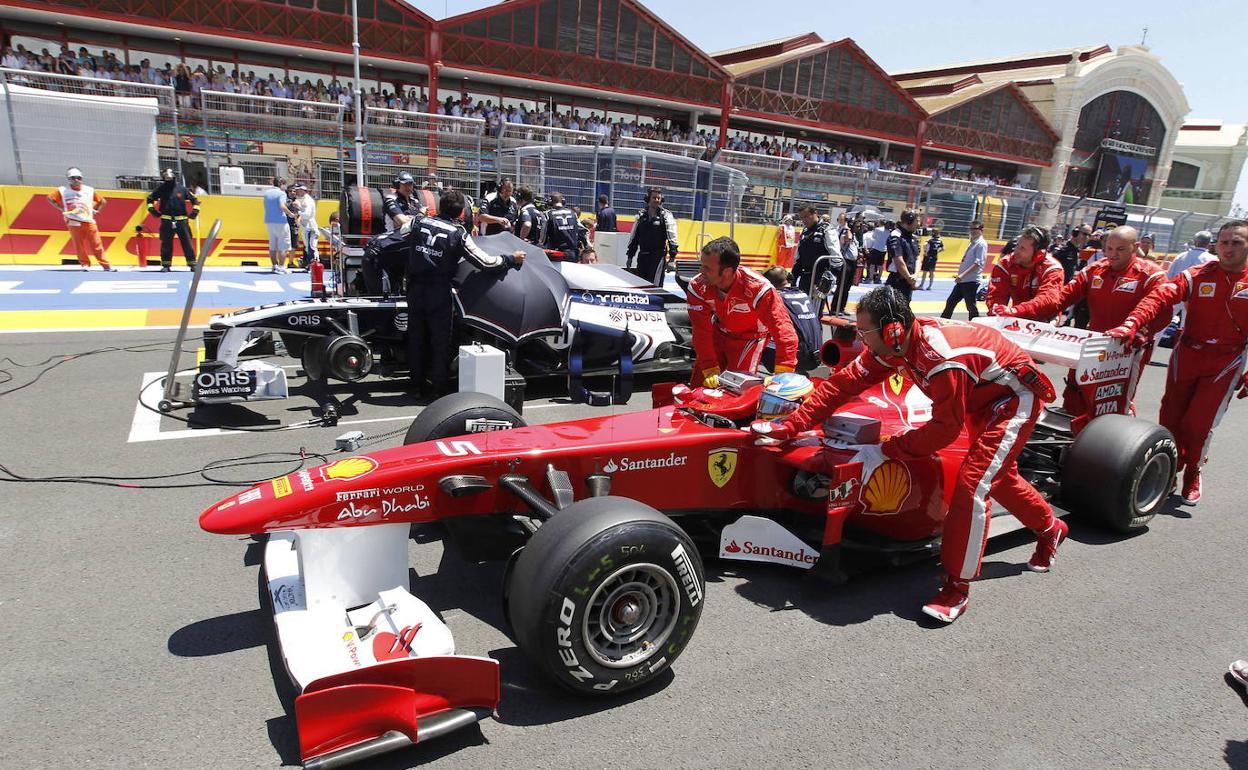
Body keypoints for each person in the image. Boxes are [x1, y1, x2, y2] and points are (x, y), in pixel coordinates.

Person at [750, 287, 1064, 624]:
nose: (861, 339)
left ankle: (956, 588)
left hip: (1012, 398)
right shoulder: (891, 347)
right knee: (999, 478)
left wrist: (885, 450)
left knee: (973, 485)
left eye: (865, 332)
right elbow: (842, 385)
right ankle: (1051, 528)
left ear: (893, 330)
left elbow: (944, 429)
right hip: (977, 393)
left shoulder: (940, 357)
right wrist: (791, 425)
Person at [1108, 220, 1248, 504]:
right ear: (1215, 245)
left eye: (1237, 242)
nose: (1228, 249)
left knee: (1198, 424)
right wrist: (1133, 322)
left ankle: (1193, 470)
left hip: (1227, 360)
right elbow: (1161, 296)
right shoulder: (1197, 275)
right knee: (1170, 418)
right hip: (1187, 353)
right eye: (1224, 242)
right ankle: (1170, 471)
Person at [996, 225, 1168, 418]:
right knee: (1075, 393)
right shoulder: (1095, 270)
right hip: (1092, 344)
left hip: (1128, 349)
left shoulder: (1152, 275)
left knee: (1114, 404)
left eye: (1120, 249)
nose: (1113, 255)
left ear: (1135, 247)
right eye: (1109, 248)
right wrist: (1018, 312)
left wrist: (1137, 332)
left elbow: (1159, 310)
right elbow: (1060, 299)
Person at [405, 189, 526, 400]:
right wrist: (510, 259)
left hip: (415, 289)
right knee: (439, 340)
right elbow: (486, 263)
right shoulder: (458, 233)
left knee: (415, 337)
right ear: (461, 212)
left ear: (440, 207)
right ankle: (437, 389)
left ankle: (415, 385)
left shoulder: (418, 222)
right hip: (438, 291)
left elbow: (402, 233)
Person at [686, 237, 798, 387]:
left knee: (738, 389)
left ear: (727, 271)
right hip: (718, 333)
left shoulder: (758, 288)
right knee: (698, 385)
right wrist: (708, 366)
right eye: (702, 265)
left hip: (750, 340)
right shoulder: (697, 286)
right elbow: (701, 331)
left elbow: (784, 330)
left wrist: (783, 374)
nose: (701, 271)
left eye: (707, 268)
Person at [984, 225, 1064, 321]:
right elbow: (996, 295)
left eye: (1022, 248)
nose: (1016, 251)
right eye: (1017, 245)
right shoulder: (1005, 264)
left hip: (1045, 319)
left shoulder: (1052, 269)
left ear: (1039, 254)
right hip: (1016, 316)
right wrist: (997, 311)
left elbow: (1048, 300)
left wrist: (1015, 311)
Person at [46, 168, 114, 271]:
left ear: (81, 179)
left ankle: (106, 265)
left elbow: (102, 201)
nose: (76, 180)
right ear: (68, 179)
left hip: (89, 221)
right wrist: (62, 208)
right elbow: (50, 198)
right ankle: (85, 264)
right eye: (73, 178)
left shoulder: (89, 190)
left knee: (96, 244)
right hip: (73, 221)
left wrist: (95, 210)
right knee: (79, 245)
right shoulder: (62, 190)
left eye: (78, 178)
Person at [763, 267, 822, 372]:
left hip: (795, 358)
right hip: (817, 356)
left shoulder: (776, 298)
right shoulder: (803, 294)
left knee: (755, 339)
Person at [145, 167, 199, 271]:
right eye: (166, 178)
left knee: (187, 243)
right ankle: (166, 265)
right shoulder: (161, 189)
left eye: (170, 178)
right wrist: (152, 210)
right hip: (166, 221)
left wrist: (195, 211)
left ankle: (192, 264)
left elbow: (194, 200)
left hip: (181, 221)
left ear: (174, 177)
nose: (168, 180)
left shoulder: (182, 189)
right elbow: (150, 199)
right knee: (166, 244)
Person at [625, 187, 679, 286]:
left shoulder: (666, 216)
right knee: (641, 284)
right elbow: (634, 238)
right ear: (648, 198)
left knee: (655, 286)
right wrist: (630, 256)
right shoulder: (641, 215)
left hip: (658, 257)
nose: (656, 200)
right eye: (654, 198)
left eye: (659, 198)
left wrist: (672, 259)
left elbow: (672, 238)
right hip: (643, 256)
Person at [940, 220, 987, 319]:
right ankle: (943, 320)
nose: (972, 231)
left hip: (971, 281)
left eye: (975, 229)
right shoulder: (973, 242)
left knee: (970, 306)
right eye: (971, 229)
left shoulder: (981, 244)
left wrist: (962, 275)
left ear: (981, 230)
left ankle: (976, 324)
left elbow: (977, 263)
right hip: (963, 281)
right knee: (951, 302)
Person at [793, 205, 840, 296]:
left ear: (815, 213)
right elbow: (799, 256)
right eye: (802, 217)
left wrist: (831, 277)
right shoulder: (805, 231)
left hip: (820, 277)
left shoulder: (827, 229)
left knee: (815, 308)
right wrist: (794, 276)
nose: (804, 220)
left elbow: (836, 257)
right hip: (805, 276)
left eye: (806, 216)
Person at [884, 209, 920, 302]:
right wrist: (910, 279)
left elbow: (917, 258)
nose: (918, 224)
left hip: (909, 281)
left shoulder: (913, 237)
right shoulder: (896, 236)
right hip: (897, 281)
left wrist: (915, 275)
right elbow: (898, 261)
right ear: (909, 221)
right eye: (917, 221)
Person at [262, 177, 294, 274]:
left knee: (273, 245)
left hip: (269, 220)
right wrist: (290, 214)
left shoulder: (267, 193)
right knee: (283, 245)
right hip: (281, 221)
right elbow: (282, 206)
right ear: (281, 184)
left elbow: (265, 206)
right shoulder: (281, 193)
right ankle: (281, 266)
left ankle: (274, 266)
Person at [544, 193, 581, 261]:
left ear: (550, 202)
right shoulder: (573, 213)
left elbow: (543, 237)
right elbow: (579, 231)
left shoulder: (548, 214)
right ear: (563, 201)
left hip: (556, 253)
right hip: (572, 252)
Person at [294, 184, 319, 269]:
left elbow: (307, 214)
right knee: (308, 247)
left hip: (310, 227)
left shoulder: (307, 200)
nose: (296, 191)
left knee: (311, 247)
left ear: (302, 190)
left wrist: (298, 212)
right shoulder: (304, 200)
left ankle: (314, 265)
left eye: (298, 190)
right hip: (306, 227)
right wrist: (299, 208)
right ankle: (311, 265)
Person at [866, 219, 889, 283]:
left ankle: (871, 279)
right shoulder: (888, 231)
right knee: (880, 265)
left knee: (872, 264)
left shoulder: (877, 229)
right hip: (884, 249)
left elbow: (873, 237)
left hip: (876, 248)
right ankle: (879, 278)